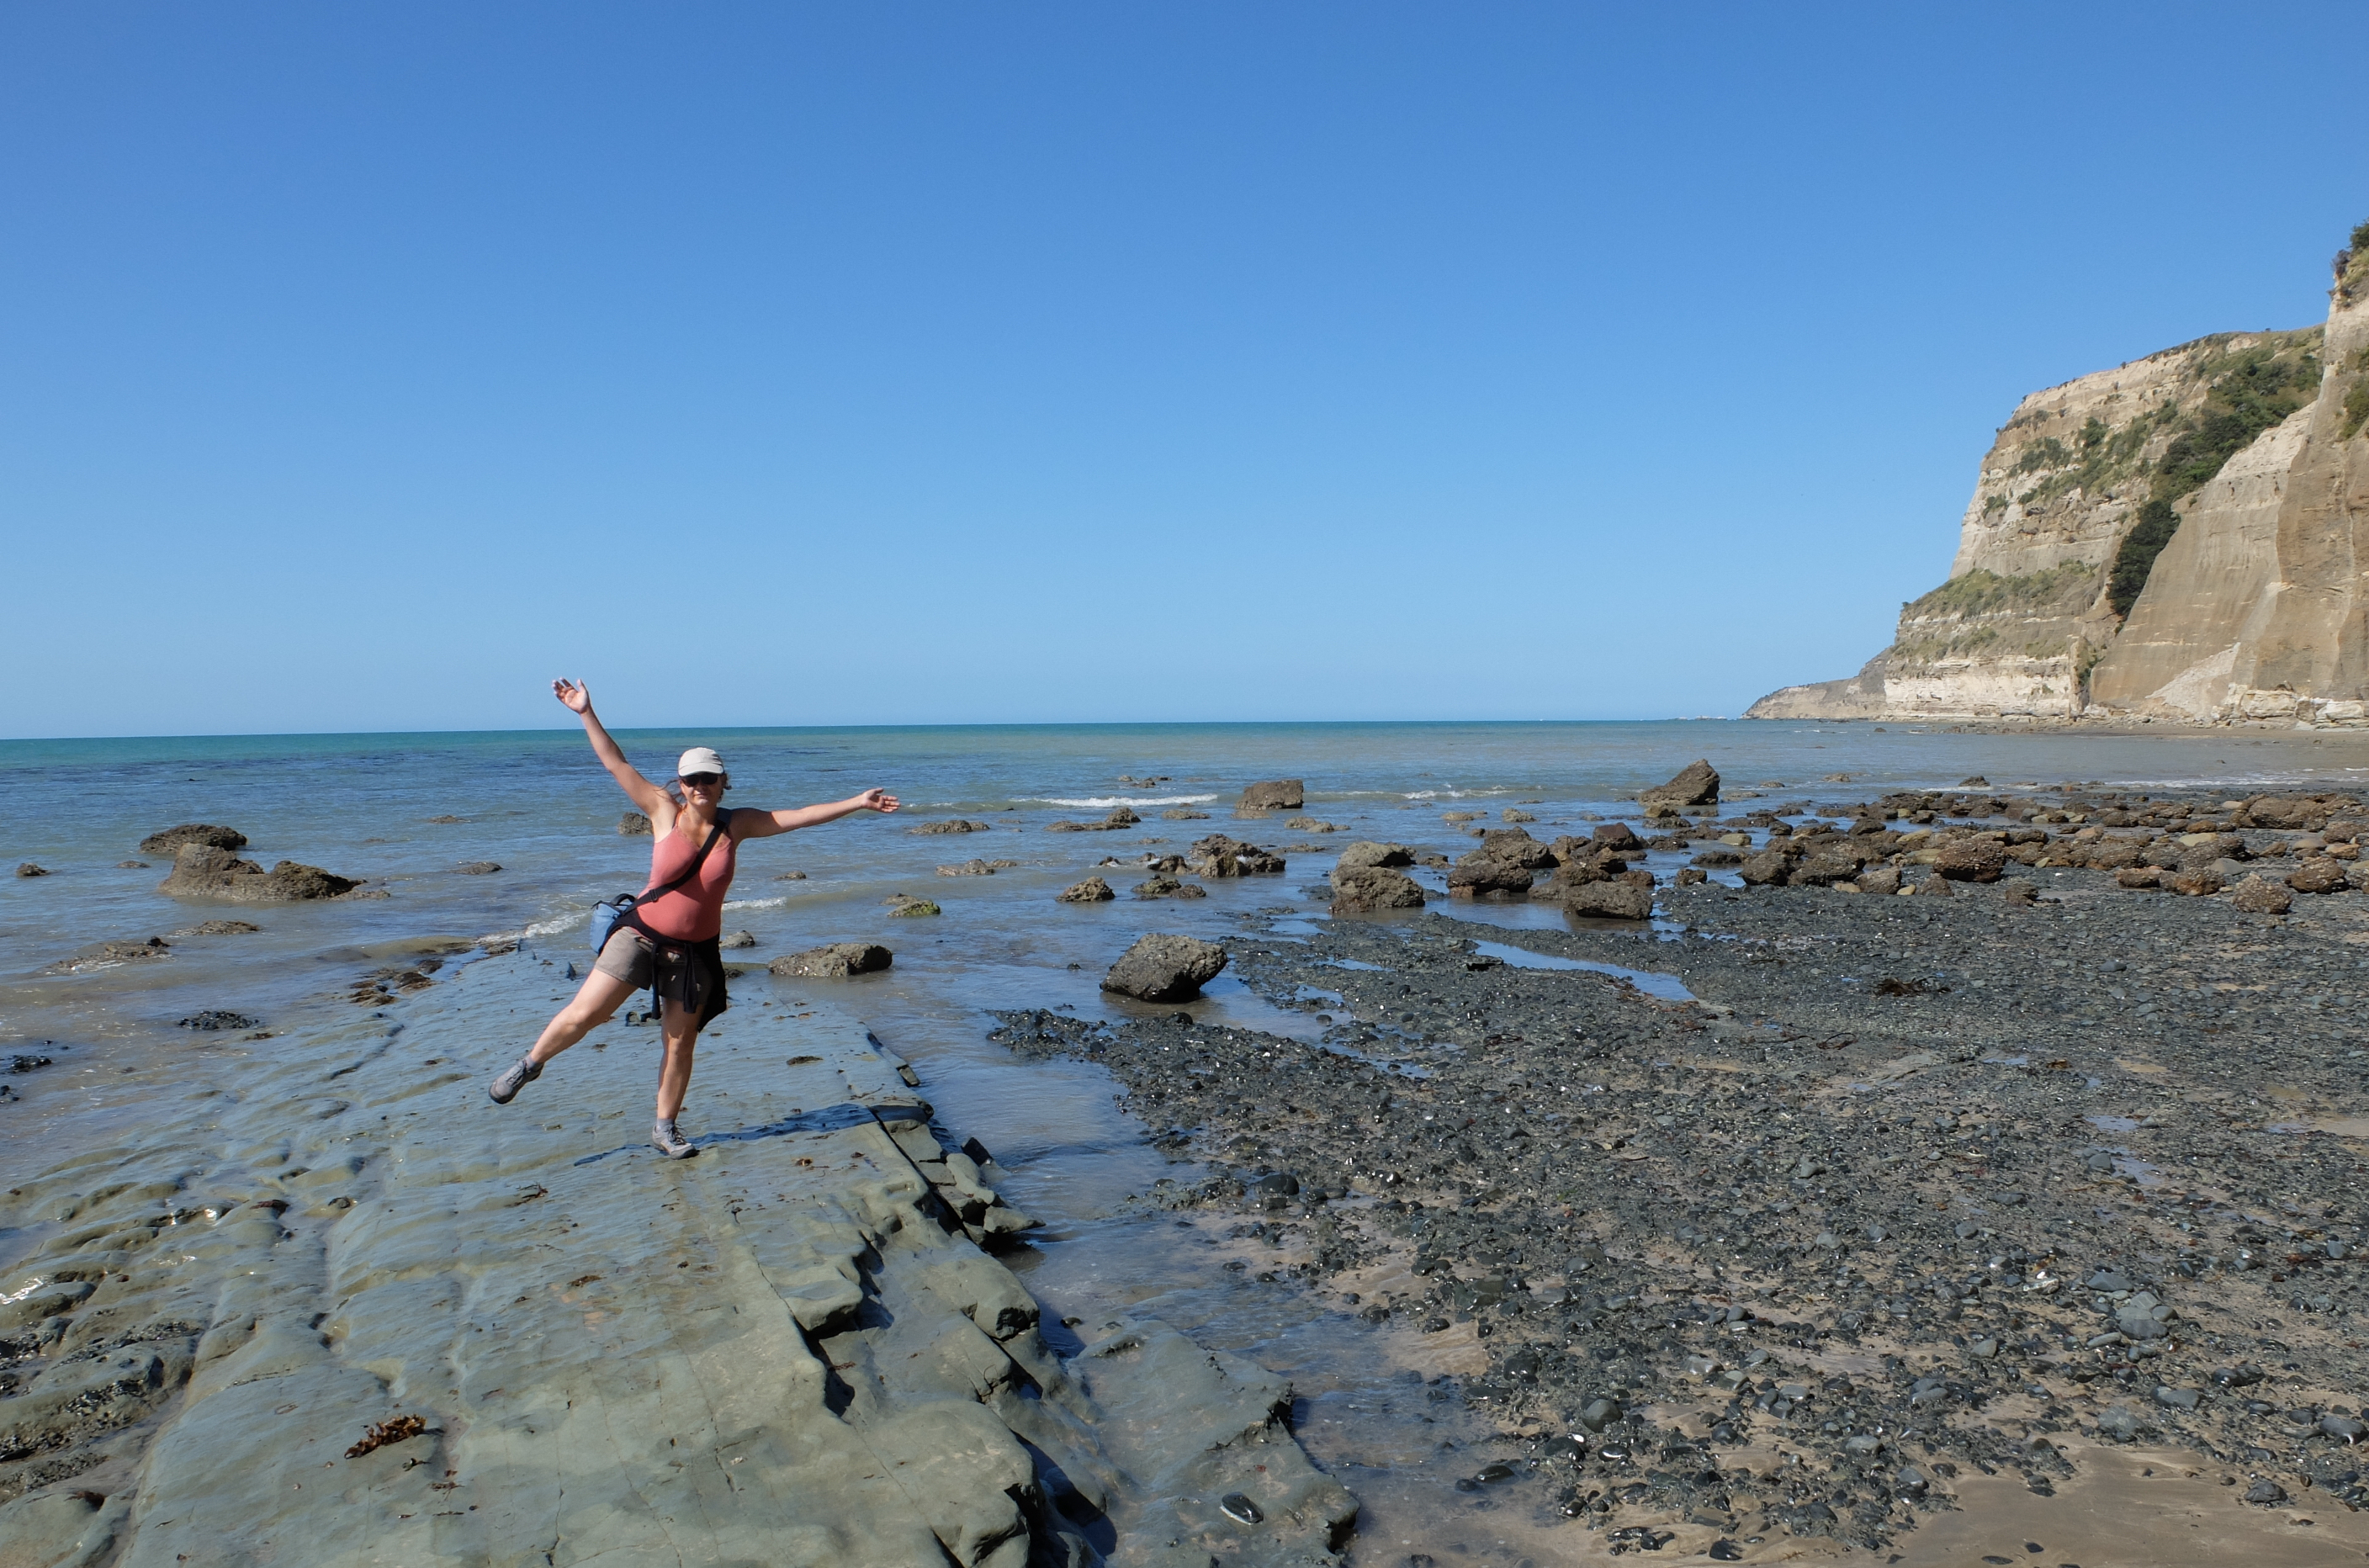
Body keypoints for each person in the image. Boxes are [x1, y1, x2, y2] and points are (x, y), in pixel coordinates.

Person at [488, 679, 898, 1157]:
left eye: (709, 778)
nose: (700, 786)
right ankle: (531, 1064)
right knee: (590, 1013)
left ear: (725, 781)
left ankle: (665, 1130)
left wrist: (857, 802)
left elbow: (802, 815)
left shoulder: (737, 824)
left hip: (695, 952)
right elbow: (615, 761)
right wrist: (585, 712)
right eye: (691, 780)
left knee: (679, 1044)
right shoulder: (662, 810)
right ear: (679, 784)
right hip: (641, 936)